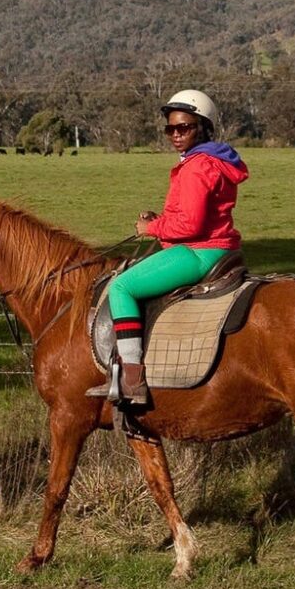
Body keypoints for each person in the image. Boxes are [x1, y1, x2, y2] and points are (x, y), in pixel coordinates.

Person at [108, 89, 249, 408]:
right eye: (170, 128)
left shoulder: (198, 167)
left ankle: (132, 378)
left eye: (183, 127)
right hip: (219, 249)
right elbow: (191, 215)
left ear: (203, 127)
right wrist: (161, 220)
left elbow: (191, 227)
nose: (175, 134)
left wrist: (150, 228)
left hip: (198, 251)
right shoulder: (215, 161)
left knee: (121, 287)